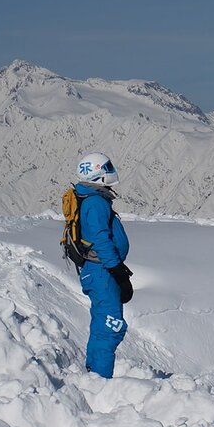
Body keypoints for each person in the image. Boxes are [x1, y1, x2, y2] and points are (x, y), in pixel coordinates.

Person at [73, 152, 130, 378]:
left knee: (101, 326)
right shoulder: (96, 202)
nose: (111, 170)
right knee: (110, 327)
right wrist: (118, 272)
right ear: (97, 173)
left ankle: (93, 377)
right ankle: (100, 380)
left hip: (100, 272)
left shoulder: (92, 198)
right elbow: (100, 238)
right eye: (106, 167)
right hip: (102, 273)